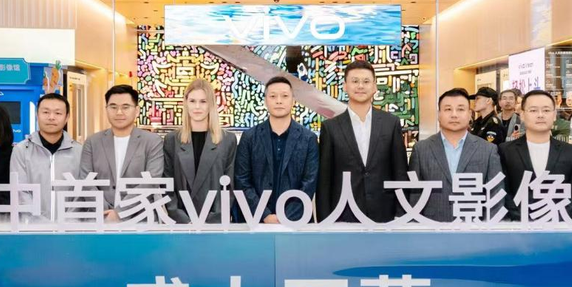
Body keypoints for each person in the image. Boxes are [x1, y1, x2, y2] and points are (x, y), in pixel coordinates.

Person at [317, 60, 408, 222]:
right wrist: (325, 223)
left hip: (384, 215)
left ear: (374, 86)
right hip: (343, 215)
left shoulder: (391, 123)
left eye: (366, 81)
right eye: (355, 81)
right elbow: (324, 181)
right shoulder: (330, 128)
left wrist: (401, 216)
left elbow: (400, 173)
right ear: (345, 86)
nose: (360, 86)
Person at [408, 88, 504, 222]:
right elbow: (414, 196)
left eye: (460, 109)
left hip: (473, 227)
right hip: (432, 227)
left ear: (470, 114)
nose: (454, 115)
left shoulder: (488, 150)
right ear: (439, 114)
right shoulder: (421, 149)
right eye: (448, 109)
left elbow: (495, 196)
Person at [235, 76, 319, 224]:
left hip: (297, 222)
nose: (279, 101)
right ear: (265, 100)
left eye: (284, 96)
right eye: (273, 96)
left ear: (293, 100)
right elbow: (242, 181)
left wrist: (285, 217)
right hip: (255, 222)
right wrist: (265, 215)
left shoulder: (308, 139)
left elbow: (309, 183)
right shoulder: (249, 137)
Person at [80, 84, 164, 222]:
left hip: (141, 219)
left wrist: (120, 213)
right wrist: (105, 213)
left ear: (137, 111)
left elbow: (151, 181)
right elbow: (85, 180)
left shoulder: (152, 141)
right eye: (113, 107)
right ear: (106, 109)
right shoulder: (92, 142)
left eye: (125, 107)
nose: (119, 112)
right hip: (100, 219)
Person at [499, 90, 572, 221]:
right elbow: (503, 191)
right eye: (533, 110)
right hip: (519, 225)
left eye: (546, 110)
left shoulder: (570, 152)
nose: (540, 115)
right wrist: (524, 219)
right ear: (522, 115)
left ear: (554, 115)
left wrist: (558, 218)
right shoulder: (505, 151)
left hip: (559, 225)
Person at [163, 79, 238, 223]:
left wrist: (213, 218)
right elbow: (167, 183)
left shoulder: (227, 140)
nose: (197, 107)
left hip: (214, 222)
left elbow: (230, 186)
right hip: (182, 222)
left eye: (203, 101)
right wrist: (180, 217)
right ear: (186, 103)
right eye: (192, 101)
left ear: (211, 104)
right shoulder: (172, 139)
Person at [10, 92, 84, 220]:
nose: (51, 117)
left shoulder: (80, 151)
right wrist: (39, 223)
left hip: (70, 225)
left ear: (67, 117)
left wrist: (69, 221)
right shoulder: (21, 150)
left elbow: (82, 191)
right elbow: (20, 191)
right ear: (37, 115)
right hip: (32, 227)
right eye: (45, 112)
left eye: (58, 113)